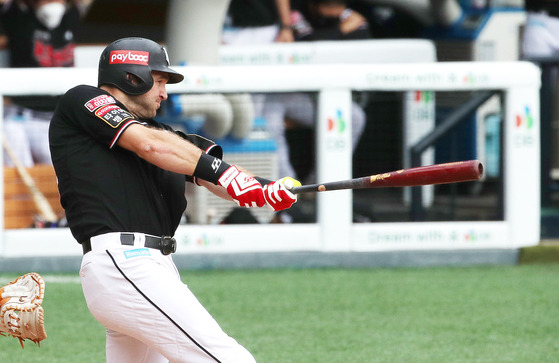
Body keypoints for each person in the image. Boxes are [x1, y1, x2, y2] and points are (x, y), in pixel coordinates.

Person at [49, 37, 300, 362]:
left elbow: (212, 174)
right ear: (132, 74)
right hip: (125, 262)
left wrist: (265, 189)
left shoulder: (163, 133)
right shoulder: (83, 100)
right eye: (160, 81)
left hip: (148, 267)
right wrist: (227, 175)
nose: (164, 93)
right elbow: (151, 145)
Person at [261, 0, 369, 179]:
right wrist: (341, 31)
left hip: (323, 93)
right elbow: (310, 45)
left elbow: (364, 42)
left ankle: (321, 185)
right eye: (329, 7)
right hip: (283, 93)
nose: (334, 12)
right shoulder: (295, 13)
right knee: (269, 123)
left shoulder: (349, 16)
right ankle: (287, 189)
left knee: (355, 117)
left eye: (338, 6)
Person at [0, 0, 92, 167]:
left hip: (56, 120)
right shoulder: (18, 17)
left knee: (65, 174)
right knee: (20, 176)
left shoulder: (70, 17)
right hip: (22, 118)